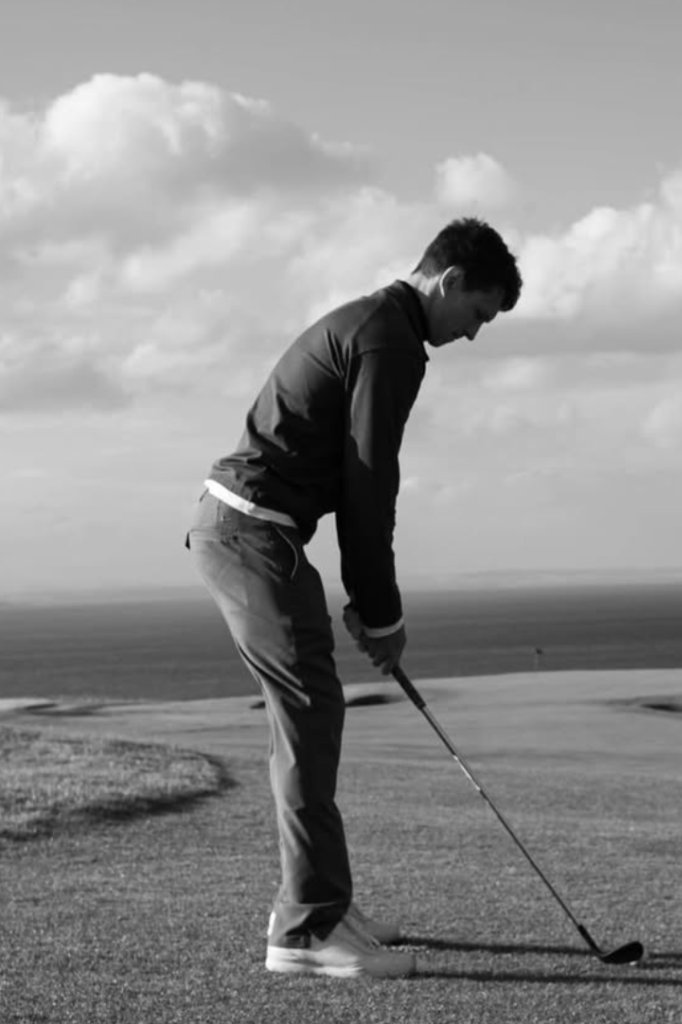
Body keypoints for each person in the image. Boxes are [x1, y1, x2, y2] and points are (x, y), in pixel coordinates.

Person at [185, 218, 522, 979]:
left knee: (309, 716)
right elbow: (371, 486)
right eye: (478, 315)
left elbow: (350, 479)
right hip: (251, 534)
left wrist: (368, 605)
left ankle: (319, 903)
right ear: (449, 281)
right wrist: (383, 615)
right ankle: (304, 935)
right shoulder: (390, 340)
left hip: (254, 534)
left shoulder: (378, 324)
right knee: (309, 715)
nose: (472, 336)